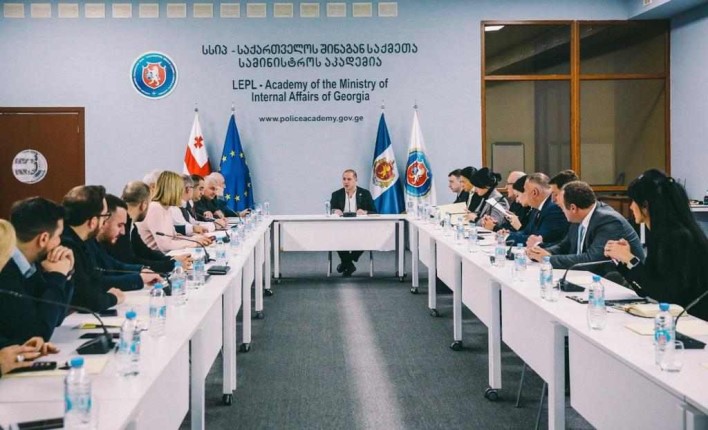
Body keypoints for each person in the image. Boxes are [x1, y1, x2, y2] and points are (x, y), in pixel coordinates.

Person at [604, 169, 708, 320]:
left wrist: (631, 260)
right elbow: (647, 288)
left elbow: (666, 294)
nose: (631, 207)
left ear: (645, 205)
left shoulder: (679, 238)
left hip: (692, 321)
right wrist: (624, 260)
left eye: (633, 201)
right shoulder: (660, 234)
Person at [0, 199, 75, 345]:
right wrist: (57, 276)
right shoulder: (5, 270)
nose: (60, 242)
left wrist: (66, 273)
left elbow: (56, 318)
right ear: (43, 238)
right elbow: (38, 334)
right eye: (58, 236)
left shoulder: (31, 266)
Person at [528, 181, 644, 271]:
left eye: (562, 207)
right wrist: (540, 252)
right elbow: (565, 245)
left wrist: (548, 259)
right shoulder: (578, 217)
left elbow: (591, 260)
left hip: (619, 283)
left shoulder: (608, 221)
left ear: (573, 208)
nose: (562, 211)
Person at [62, 185, 125, 312]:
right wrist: (113, 297)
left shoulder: (83, 242)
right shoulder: (67, 246)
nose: (105, 222)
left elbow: (95, 282)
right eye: (105, 216)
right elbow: (88, 300)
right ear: (93, 222)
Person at [105, 181, 188, 274]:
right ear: (143, 205)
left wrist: (171, 259)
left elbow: (144, 252)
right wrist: (171, 265)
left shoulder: (131, 224)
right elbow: (130, 261)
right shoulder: (121, 228)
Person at [93, 194, 163, 290]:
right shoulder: (80, 245)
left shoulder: (93, 243)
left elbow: (114, 265)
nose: (123, 232)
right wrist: (139, 279)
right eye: (119, 225)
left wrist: (141, 270)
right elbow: (95, 283)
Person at [139, 171, 209, 252]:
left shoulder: (166, 208)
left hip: (167, 254)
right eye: (180, 189)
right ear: (171, 190)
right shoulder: (155, 208)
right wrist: (194, 243)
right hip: (156, 256)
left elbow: (174, 236)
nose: (183, 193)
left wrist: (196, 239)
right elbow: (165, 245)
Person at [330, 169, 377, 276]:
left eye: (349, 179)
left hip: (361, 228)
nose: (346, 182)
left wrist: (365, 212)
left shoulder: (365, 194)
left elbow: (374, 211)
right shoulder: (336, 194)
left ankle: (347, 263)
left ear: (355, 180)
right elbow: (330, 210)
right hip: (341, 228)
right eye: (344, 179)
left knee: (367, 237)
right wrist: (334, 211)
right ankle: (349, 264)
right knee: (336, 237)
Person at [506, 173, 569, 246]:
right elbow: (526, 232)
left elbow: (539, 239)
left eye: (525, 190)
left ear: (534, 193)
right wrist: (509, 234)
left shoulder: (554, 209)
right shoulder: (537, 208)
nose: (554, 199)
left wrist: (506, 237)